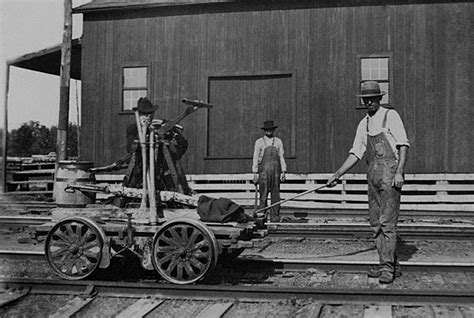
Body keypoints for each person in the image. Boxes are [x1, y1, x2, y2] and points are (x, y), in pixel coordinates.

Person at [326, 81, 410, 284]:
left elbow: (403, 145)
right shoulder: (363, 124)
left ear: (380, 99)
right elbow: (356, 152)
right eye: (366, 99)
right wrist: (338, 173)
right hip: (372, 175)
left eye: (373, 98)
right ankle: (390, 264)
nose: (369, 102)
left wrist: (400, 171)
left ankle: (387, 267)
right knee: (375, 224)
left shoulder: (390, 115)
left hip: (390, 174)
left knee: (386, 223)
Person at [252, 120, 287, 222]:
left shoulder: (278, 141)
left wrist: (283, 171)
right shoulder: (259, 142)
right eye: (267, 130)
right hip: (263, 173)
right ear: (264, 131)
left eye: (270, 129)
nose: (269, 131)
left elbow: (281, 156)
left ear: (273, 130)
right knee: (263, 195)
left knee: (276, 195)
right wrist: (255, 173)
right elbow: (255, 157)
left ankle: (275, 218)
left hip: (276, 172)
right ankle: (262, 218)